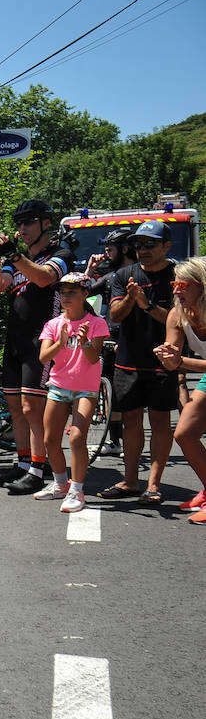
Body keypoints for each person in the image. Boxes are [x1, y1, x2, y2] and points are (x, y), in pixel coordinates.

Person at [0, 199, 74, 494]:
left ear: (45, 223)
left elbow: (45, 278)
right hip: (16, 338)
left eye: (28, 222)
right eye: (19, 223)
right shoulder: (14, 260)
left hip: (43, 339)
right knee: (15, 407)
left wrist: (15, 254)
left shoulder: (59, 254)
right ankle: (24, 463)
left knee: (32, 406)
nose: (22, 229)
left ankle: (38, 467)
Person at [100, 220, 178, 504]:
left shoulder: (177, 275)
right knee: (131, 421)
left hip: (162, 360)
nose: (142, 249)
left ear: (166, 246)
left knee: (159, 421)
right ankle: (131, 481)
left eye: (149, 244)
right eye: (138, 245)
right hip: (128, 361)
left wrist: (146, 304)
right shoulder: (124, 275)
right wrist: (132, 300)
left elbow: (177, 319)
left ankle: (154, 484)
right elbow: (115, 316)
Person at [28, 272, 110, 513]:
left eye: (71, 292)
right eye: (62, 292)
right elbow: (44, 357)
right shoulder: (53, 324)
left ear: (86, 294)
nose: (65, 296)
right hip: (58, 386)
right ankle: (61, 484)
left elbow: (94, 359)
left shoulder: (97, 324)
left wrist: (84, 341)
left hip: (86, 388)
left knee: (76, 437)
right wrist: (60, 341)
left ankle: (77, 490)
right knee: (50, 439)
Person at [153, 258, 206, 522]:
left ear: (202, 287)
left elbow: (182, 361)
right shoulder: (177, 314)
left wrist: (180, 361)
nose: (175, 291)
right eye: (174, 284)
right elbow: (173, 356)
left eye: (183, 285)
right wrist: (167, 357)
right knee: (185, 434)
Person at [87, 227, 135, 457]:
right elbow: (81, 293)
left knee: (128, 395)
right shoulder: (109, 276)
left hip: (129, 341)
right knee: (110, 394)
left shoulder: (137, 274)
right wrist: (89, 270)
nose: (106, 254)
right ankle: (115, 441)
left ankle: (129, 442)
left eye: (110, 249)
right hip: (110, 339)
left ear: (125, 249)